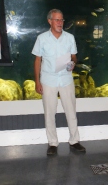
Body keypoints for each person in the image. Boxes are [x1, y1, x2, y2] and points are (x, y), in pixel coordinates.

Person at [32, 9, 85, 155]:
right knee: (49, 112)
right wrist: (37, 81)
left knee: (71, 111)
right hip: (48, 80)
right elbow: (37, 60)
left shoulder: (70, 38)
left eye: (61, 20)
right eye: (57, 20)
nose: (60, 23)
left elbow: (74, 57)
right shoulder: (42, 38)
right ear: (49, 21)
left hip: (66, 79)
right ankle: (52, 143)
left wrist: (72, 63)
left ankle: (75, 141)